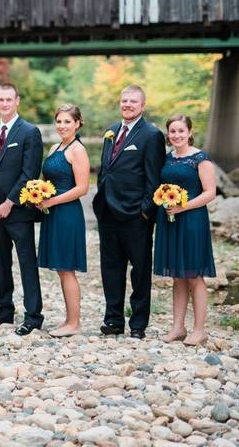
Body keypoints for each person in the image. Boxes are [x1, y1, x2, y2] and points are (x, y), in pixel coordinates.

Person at [93, 84, 166, 339]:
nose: (127, 105)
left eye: (133, 101)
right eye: (124, 100)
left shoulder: (152, 135)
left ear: (142, 105)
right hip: (108, 213)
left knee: (140, 270)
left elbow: (153, 177)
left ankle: (138, 324)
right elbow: (106, 169)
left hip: (136, 215)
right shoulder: (111, 132)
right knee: (110, 269)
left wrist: (146, 211)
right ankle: (113, 320)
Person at [0, 83, 44, 336]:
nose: (4, 103)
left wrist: (8, 203)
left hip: (19, 212)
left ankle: (33, 316)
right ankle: (3, 312)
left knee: (27, 263)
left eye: (8, 99)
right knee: (1, 262)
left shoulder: (30, 132)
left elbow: (30, 172)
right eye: (0, 99)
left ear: (17, 101)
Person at [153, 114, 217, 347]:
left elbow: (210, 192)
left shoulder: (201, 159)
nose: (177, 135)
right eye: (172, 131)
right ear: (168, 135)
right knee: (178, 276)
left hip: (192, 220)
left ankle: (199, 330)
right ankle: (178, 327)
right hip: (170, 220)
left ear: (189, 132)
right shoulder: (167, 158)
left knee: (194, 275)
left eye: (181, 131)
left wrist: (183, 207)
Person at [36, 104, 90, 337]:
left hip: (67, 213)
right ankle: (69, 319)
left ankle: (74, 323)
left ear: (77, 124)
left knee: (67, 269)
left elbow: (83, 188)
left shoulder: (77, 150)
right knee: (61, 268)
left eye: (67, 121)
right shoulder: (54, 147)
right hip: (53, 212)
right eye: (59, 121)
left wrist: (52, 201)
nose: (62, 126)